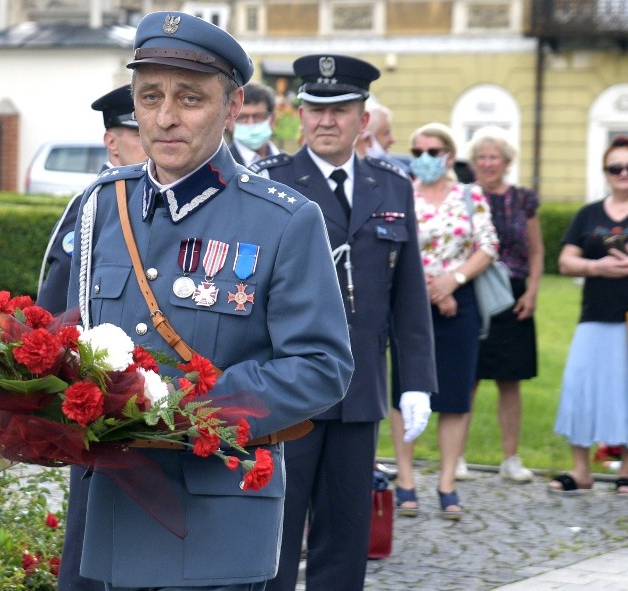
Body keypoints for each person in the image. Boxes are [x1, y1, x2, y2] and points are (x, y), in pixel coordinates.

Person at [63, 12, 355, 590]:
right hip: (107, 520)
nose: (166, 117)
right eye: (150, 97)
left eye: (190, 98)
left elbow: (323, 367)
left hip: (214, 520)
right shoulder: (101, 207)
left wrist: (179, 405)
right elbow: (75, 337)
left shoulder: (284, 220)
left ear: (231, 106)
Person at [252, 54, 437, 591]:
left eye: (341, 109)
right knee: (277, 529)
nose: (326, 121)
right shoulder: (271, 184)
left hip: (359, 390)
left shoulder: (392, 185)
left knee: (346, 534)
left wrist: (417, 382)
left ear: (363, 118)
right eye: (315, 109)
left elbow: (407, 295)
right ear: (300, 116)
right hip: (289, 388)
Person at [36, 83, 147, 591]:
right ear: (112, 143)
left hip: (168, 404)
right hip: (102, 402)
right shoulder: (92, 208)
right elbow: (55, 310)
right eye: (136, 129)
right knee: (90, 548)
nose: (153, 135)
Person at [389, 122, 499, 520]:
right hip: (410, 302)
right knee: (405, 390)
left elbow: (487, 244)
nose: (424, 159)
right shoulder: (401, 192)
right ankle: (405, 480)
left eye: (432, 152)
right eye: (417, 150)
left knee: (454, 394)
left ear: (449, 157)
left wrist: (453, 281)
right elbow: (392, 247)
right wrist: (428, 289)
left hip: (460, 299)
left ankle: (448, 482)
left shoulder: (469, 195)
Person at [548, 135, 628, 496]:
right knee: (579, 387)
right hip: (594, 315)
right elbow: (565, 261)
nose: (624, 173)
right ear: (605, 172)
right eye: (616, 167)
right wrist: (597, 267)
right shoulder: (588, 214)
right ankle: (581, 470)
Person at [460, 126, 543, 484]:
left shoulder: (524, 199)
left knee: (511, 379)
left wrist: (533, 291)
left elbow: (537, 250)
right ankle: (457, 455)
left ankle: (511, 457)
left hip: (513, 293)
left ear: (506, 161)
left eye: (493, 157)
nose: (487, 163)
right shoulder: (462, 197)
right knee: (468, 376)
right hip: (473, 289)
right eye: (481, 157)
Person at [37, 83, 147, 314]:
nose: (149, 142)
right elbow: (57, 300)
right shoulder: (91, 203)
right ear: (111, 142)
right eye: (139, 134)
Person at [228, 82, 280, 166]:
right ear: (230, 121)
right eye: (242, 117)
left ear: (272, 119)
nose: (250, 123)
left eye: (258, 116)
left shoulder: (290, 163)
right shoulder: (220, 166)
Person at [353, 102, 409, 174]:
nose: (393, 139)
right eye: (386, 133)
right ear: (367, 139)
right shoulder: (344, 174)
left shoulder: (398, 173)